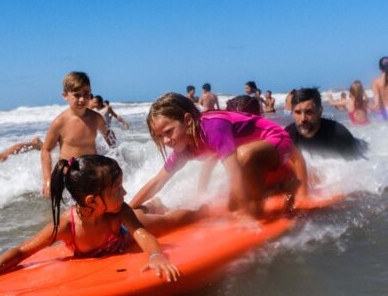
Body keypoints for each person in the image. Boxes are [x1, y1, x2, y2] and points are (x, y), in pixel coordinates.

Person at [0, 155, 184, 284]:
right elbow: (23, 251)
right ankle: (153, 205)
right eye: (117, 189)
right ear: (92, 201)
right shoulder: (66, 226)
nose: (125, 193)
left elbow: (143, 236)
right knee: (147, 212)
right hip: (113, 234)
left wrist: (156, 255)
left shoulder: (119, 211)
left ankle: (201, 210)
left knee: (171, 221)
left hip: (124, 236)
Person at [129, 93, 308, 217]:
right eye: (160, 136)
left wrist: (245, 215)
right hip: (251, 153)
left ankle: (255, 210)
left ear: (187, 120)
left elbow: (234, 172)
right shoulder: (186, 145)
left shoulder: (213, 127)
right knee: (232, 203)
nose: (166, 140)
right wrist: (128, 209)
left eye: (168, 131)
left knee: (243, 157)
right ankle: (280, 187)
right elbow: (158, 181)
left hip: (277, 140)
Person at [41, 72, 116, 197]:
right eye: (77, 95)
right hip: (68, 173)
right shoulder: (60, 122)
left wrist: (119, 159)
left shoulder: (96, 118)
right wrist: (47, 179)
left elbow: (112, 142)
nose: (82, 99)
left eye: (86, 95)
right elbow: (45, 150)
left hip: (91, 172)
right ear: (65, 95)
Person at [285, 88, 367, 160]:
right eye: (297, 112)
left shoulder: (339, 134)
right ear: (292, 112)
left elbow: (360, 167)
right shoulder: (287, 135)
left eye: (308, 112)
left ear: (320, 111)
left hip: (358, 145)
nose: (303, 118)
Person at [371, 56, 388, 121]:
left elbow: (377, 104)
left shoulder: (375, 82)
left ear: (380, 68)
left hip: (383, 111)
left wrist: (367, 105)